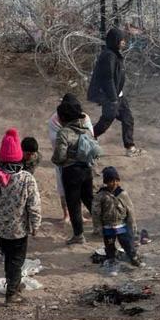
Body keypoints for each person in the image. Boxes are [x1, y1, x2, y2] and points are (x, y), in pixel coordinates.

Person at [0, 129, 41, 305]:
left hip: (1, 229)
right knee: (17, 260)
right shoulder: (27, 179)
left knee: (9, 258)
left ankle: (12, 284)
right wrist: (35, 224)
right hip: (19, 230)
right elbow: (34, 205)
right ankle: (12, 294)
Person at [52, 97, 103, 245]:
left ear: (63, 118)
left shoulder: (64, 133)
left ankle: (79, 235)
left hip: (71, 172)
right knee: (89, 199)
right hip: (87, 169)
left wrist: (57, 160)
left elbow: (59, 156)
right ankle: (101, 227)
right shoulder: (86, 130)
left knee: (73, 204)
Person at [88, 27, 140, 157]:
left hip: (118, 95)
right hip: (111, 96)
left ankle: (130, 147)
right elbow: (108, 78)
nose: (123, 42)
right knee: (106, 120)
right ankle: (88, 137)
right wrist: (112, 98)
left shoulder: (114, 53)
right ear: (115, 41)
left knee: (128, 119)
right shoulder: (109, 56)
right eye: (121, 40)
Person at [48, 93, 95, 223]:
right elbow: (55, 142)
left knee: (84, 192)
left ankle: (86, 220)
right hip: (65, 164)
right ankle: (66, 215)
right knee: (64, 189)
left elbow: (91, 137)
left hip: (82, 161)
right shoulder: (55, 120)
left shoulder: (84, 118)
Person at [92, 166, 141, 277]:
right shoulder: (101, 196)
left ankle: (133, 258)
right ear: (106, 182)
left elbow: (130, 209)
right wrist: (97, 227)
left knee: (127, 243)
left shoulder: (123, 194)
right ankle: (112, 263)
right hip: (108, 226)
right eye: (111, 181)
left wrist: (132, 223)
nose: (114, 183)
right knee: (109, 246)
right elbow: (95, 212)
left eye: (116, 181)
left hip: (121, 225)